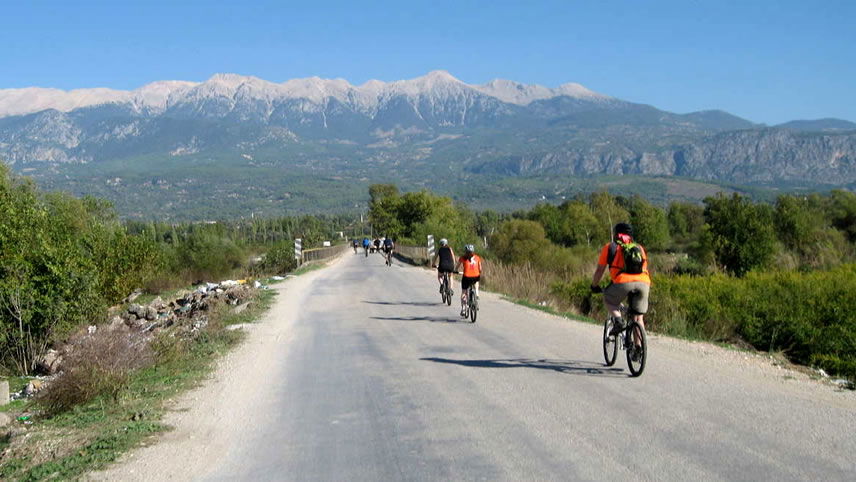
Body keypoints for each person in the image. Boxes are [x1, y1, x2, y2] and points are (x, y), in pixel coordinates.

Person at [590, 223, 651, 354]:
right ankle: (638, 349)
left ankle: (618, 320)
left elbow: (600, 270)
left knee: (609, 300)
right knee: (638, 317)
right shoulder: (639, 248)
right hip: (644, 282)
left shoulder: (610, 247)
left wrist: (594, 286)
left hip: (622, 282)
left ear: (616, 234)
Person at [455, 244, 482, 317]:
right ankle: (476, 292)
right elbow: (480, 269)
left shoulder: (463, 258)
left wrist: (455, 271)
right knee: (476, 281)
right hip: (476, 276)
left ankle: (463, 308)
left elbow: (457, 267)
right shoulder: (477, 257)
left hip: (466, 277)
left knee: (464, 292)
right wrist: (478, 272)